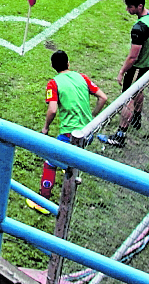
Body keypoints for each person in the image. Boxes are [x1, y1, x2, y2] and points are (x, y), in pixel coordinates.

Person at [31, 50, 108, 212]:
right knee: (72, 160)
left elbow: (52, 110)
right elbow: (103, 98)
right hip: (88, 133)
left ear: (53, 66)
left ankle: (43, 200)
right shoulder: (82, 77)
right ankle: (71, 174)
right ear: (68, 63)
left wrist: (45, 128)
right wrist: (93, 115)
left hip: (70, 135)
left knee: (49, 161)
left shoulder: (53, 83)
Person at [99, 0, 149, 147]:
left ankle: (120, 135)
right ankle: (136, 119)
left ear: (140, 6)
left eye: (130, 7)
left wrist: (121, 71)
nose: (127, 10)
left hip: (139, 67)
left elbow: (133, 57)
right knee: (139, 91)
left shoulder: (139, 28)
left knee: (127, 99)